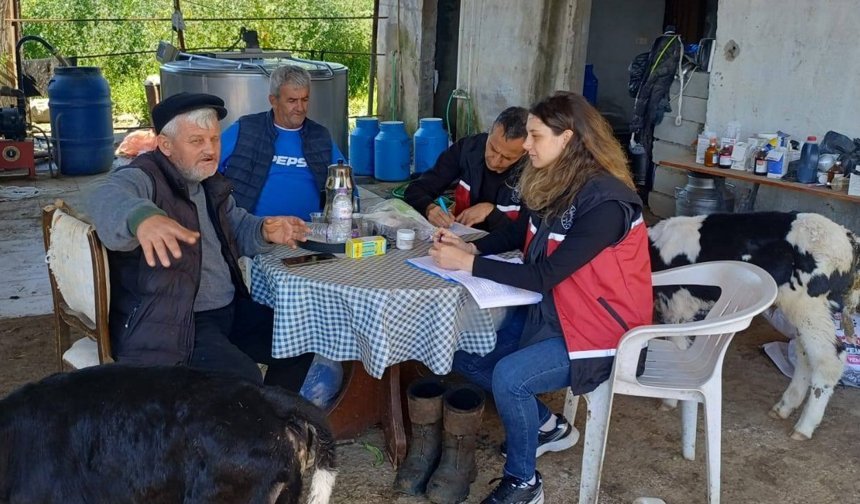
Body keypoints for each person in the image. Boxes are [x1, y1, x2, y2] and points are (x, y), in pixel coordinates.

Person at [429, 91, 653, 504]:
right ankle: (548, 425)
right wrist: (473, 247)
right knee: (462, 352)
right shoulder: (556, 181)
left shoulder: (606, 203)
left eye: (535, 136)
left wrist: (468, 264)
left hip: (605, 332)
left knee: (510, 377)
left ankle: (523, 482)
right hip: (555, 313)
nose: (526, 146)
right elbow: (521, 234)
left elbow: (545, 275)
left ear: (567, 138)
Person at [86, 92, 314, 392]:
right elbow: (105, 195)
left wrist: (264, 230)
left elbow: (239, 227)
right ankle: (252, 415)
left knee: (300, 342)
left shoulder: (208, 182)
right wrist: (142, 217)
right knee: (242, 380)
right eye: (197, 141)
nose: (210, 150)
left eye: (214, 139)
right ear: (166, 145)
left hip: (228, 310)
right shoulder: (145, 176)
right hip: (175, 322)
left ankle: (269, 414)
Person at [218, 64, 346, 220]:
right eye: (292, 100)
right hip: (255, 231)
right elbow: (206, 169)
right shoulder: (245, 129)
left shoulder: (320, 136)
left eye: (305, 99)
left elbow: (345, 185)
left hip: (312, 230)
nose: (300, 108)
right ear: (273, 100)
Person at [404, 107, 528, 231]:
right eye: (493, 148)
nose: (495, 161)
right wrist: (429, 208)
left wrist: (491, 213)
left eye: (507, 157)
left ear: (525, 152)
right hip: (461, 234)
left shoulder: (531, 174)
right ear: (490, 131)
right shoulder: (468, 149)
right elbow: (416, 189)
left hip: (500, 241)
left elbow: (525, 233)